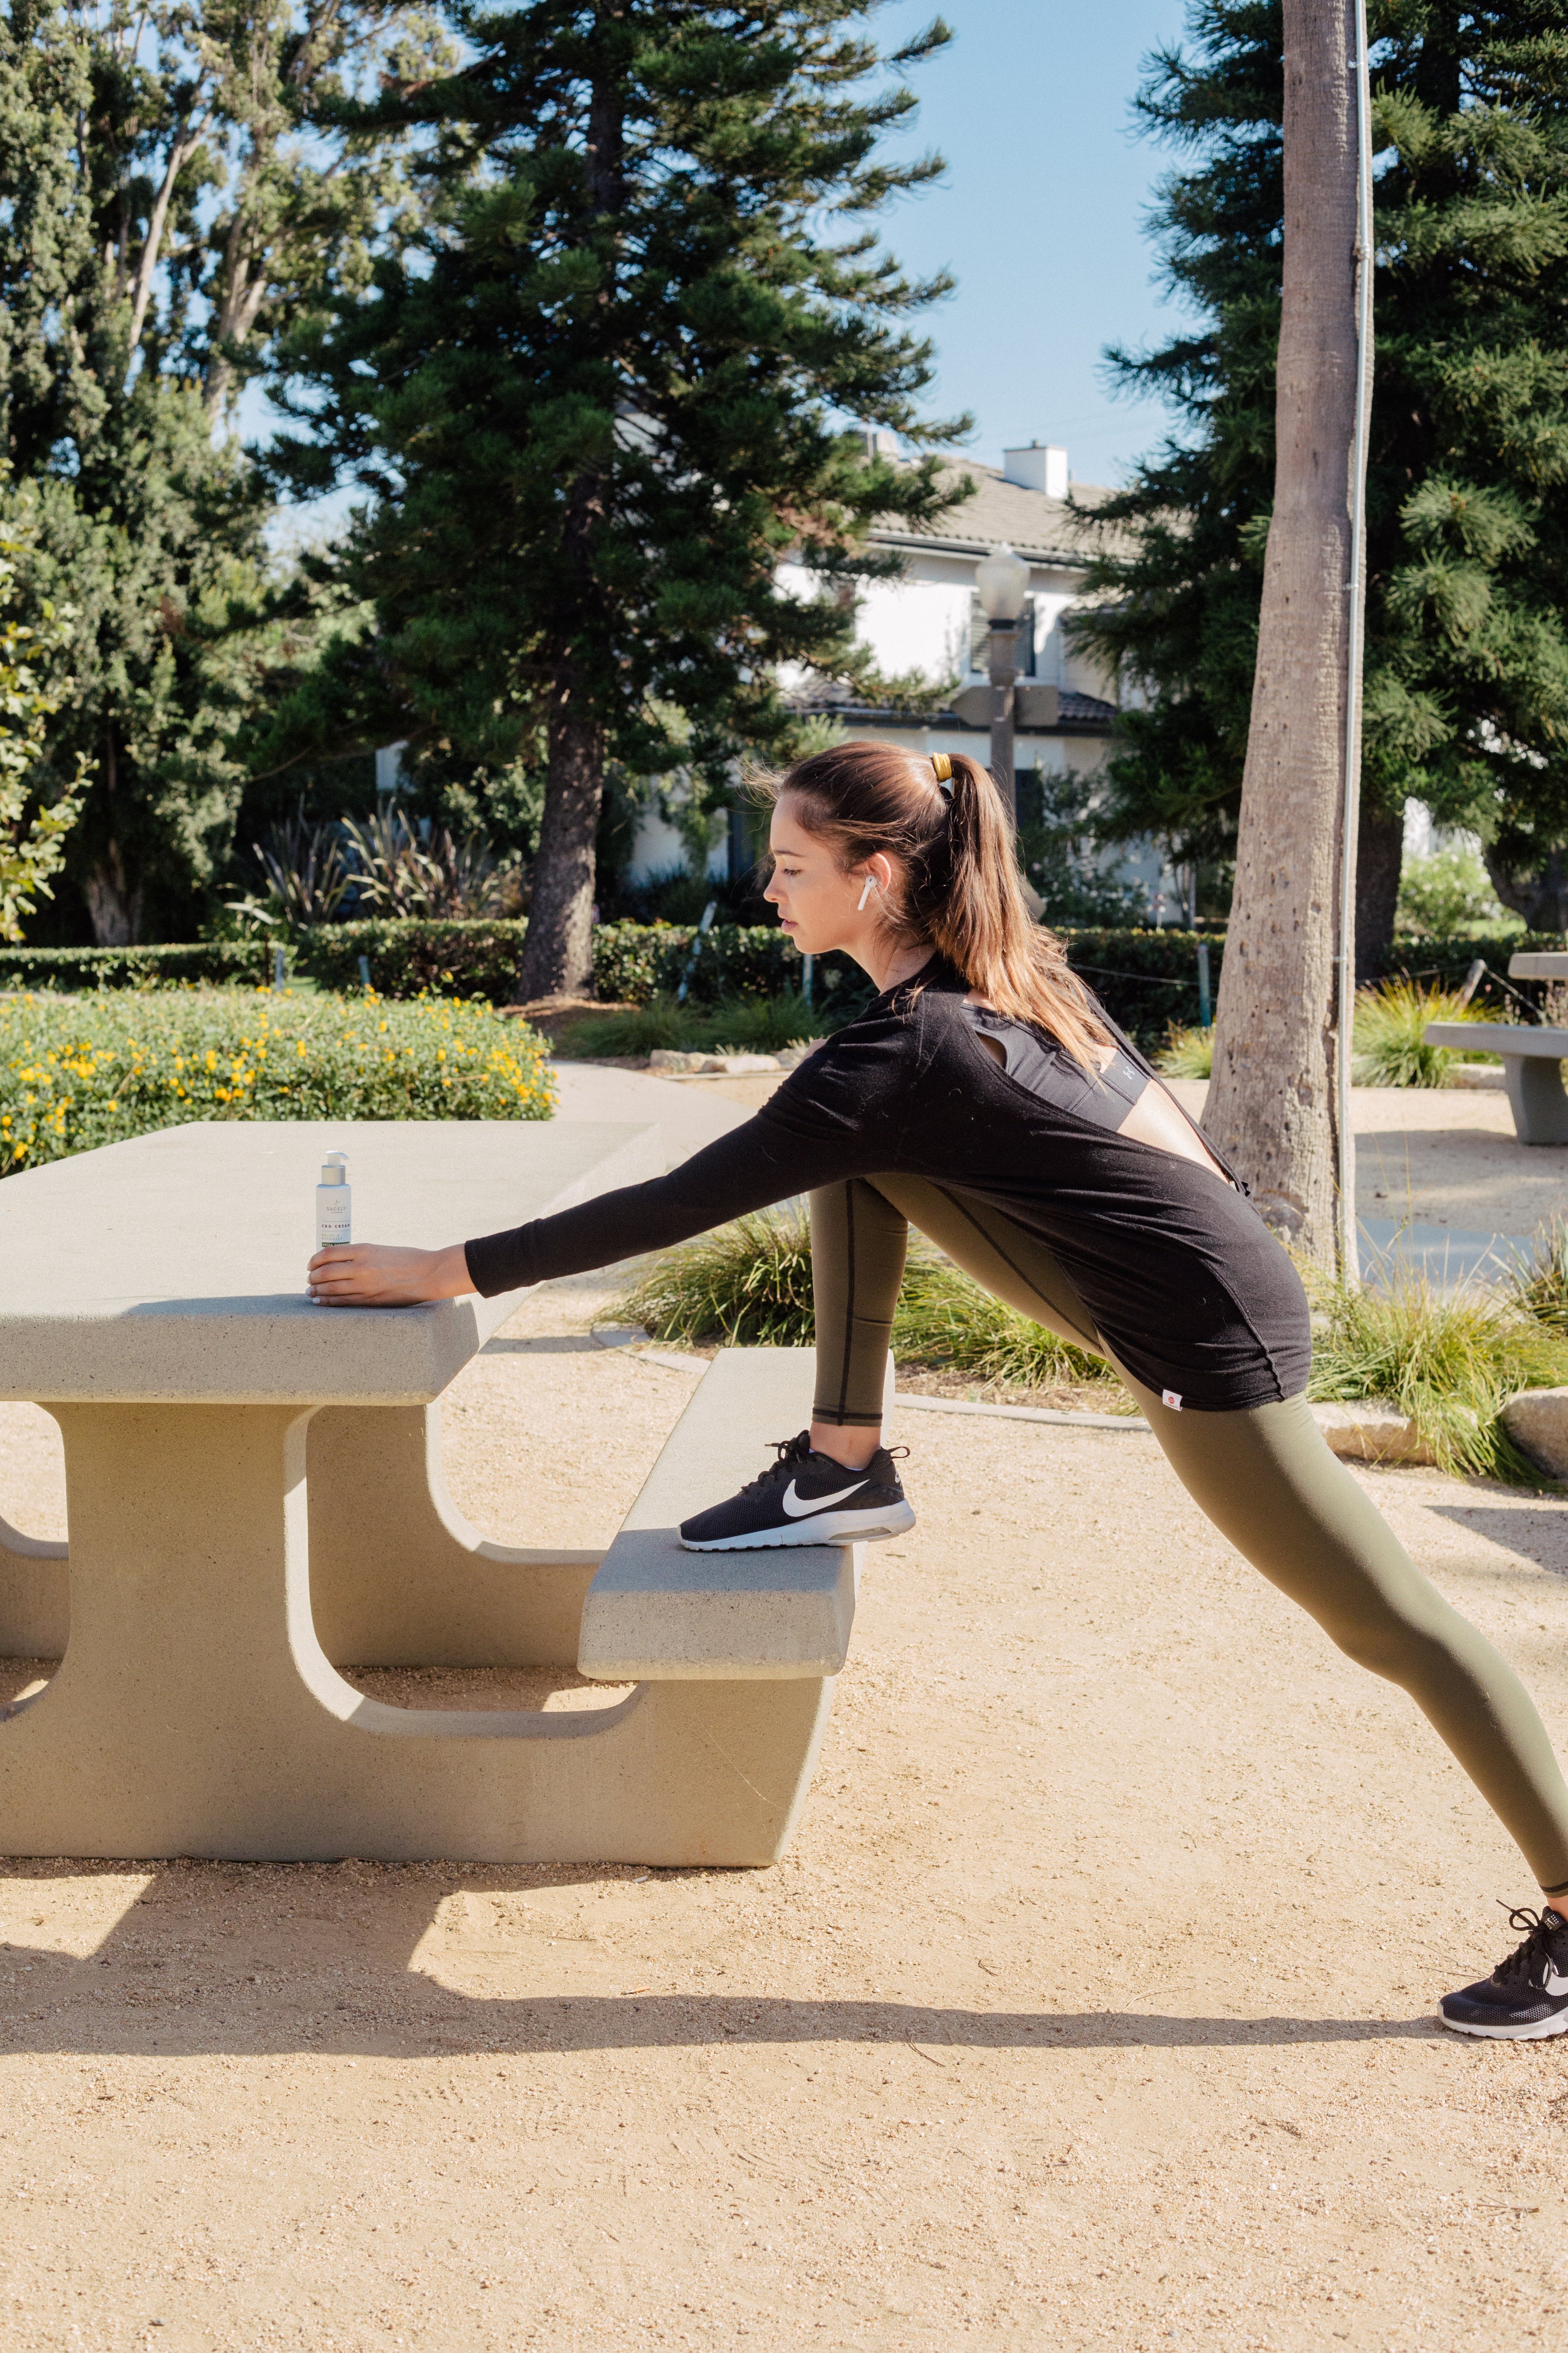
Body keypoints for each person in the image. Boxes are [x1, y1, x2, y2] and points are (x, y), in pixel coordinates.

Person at [309, 740, 1568, 2040]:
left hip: (1203, 1337)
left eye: (793, 867)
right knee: (846, 1145)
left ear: (879, 874)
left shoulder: (916, 1045)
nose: (769, 890)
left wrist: (447, 1271)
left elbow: (678, 1202)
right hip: (1178, 1291)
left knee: (1389, 1622)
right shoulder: (967, 994)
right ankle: (841, 1460)